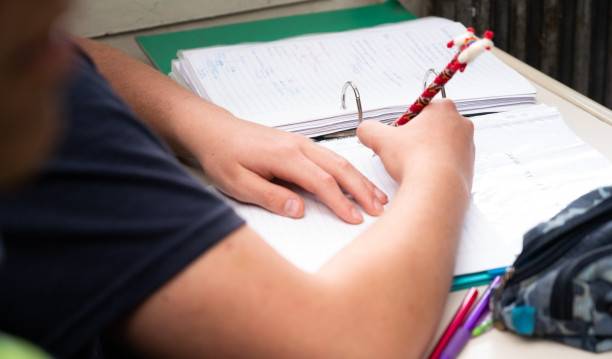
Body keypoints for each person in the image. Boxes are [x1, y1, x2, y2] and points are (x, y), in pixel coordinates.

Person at [0, 0, 475, 358]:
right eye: (32, 51)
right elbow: (347, 344)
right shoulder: (47, 129)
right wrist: (440, 168)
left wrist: (205, 124)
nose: (64, 63)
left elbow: (77, 54)